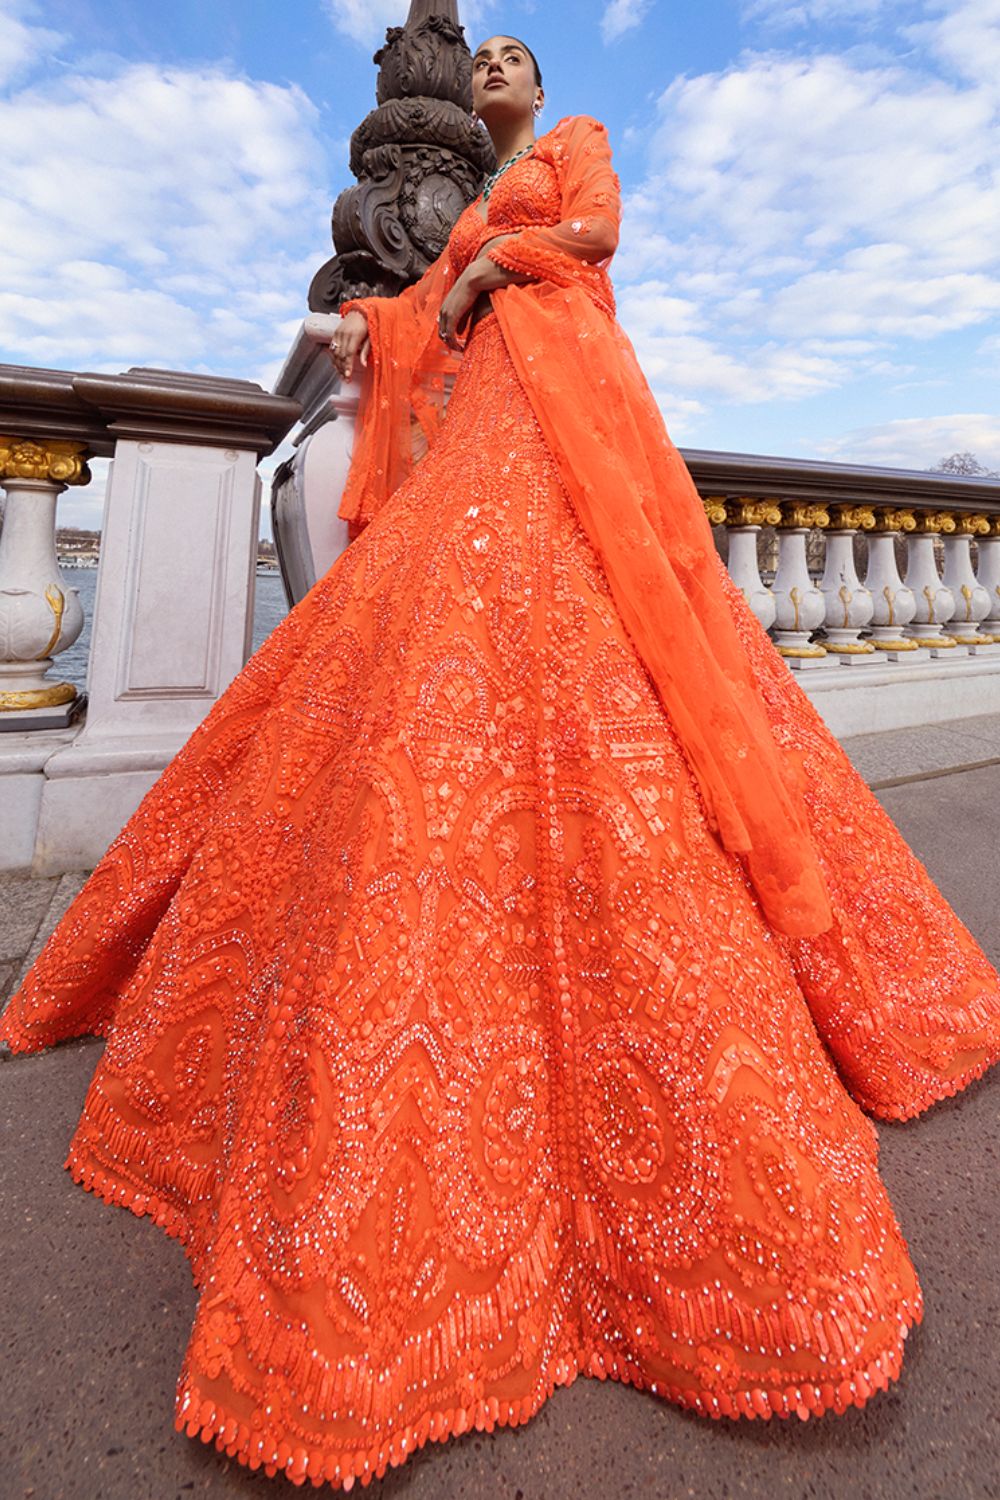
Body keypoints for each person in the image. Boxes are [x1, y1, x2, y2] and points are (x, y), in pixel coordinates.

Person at [2, 31, 1000, 1493]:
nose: (498, 75)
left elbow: (593, 240)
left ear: (536, 91)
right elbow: (422, 323)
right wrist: (394, 318)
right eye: (491, 67)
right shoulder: (478, 200)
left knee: (579, 672)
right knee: (419, 675)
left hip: (560, 411)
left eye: (514, 61)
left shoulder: (573, 142)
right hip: (485, 427)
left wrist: (475, 277)